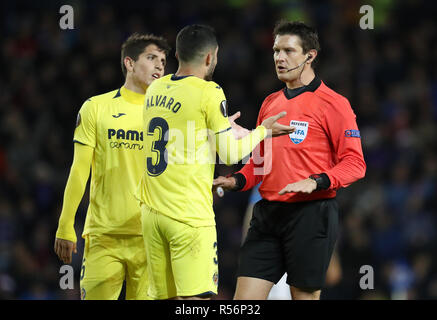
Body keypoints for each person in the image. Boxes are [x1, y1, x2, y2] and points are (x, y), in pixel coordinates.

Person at [137, 24, 295, 300]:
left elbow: (173, 134)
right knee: (194, 301)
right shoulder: (209, 92)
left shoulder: (155, 88)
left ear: (177, 53)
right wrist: (261, 132)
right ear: (210, 57)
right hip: (188, 216)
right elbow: (232, 154)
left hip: (152, 214)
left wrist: (215, 128)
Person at [213, 21, 366, 300]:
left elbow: (355, 163)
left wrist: (317, 180)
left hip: (310, 214)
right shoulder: (270, 102)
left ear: (310, 55)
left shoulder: (334, 104)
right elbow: (259, 164)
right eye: (275, 51)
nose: (279, 58)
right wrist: (236, 179)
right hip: (267, 214)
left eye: (288, 51)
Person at [54, 33, 170, 300]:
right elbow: (79, 169)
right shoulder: (97, 107)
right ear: (129, 63)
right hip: (104, 237)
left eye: (163, 61)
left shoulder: (169, 114)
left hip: (151, 236)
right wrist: (65, 225)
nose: (159, 66)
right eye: (151, 58)